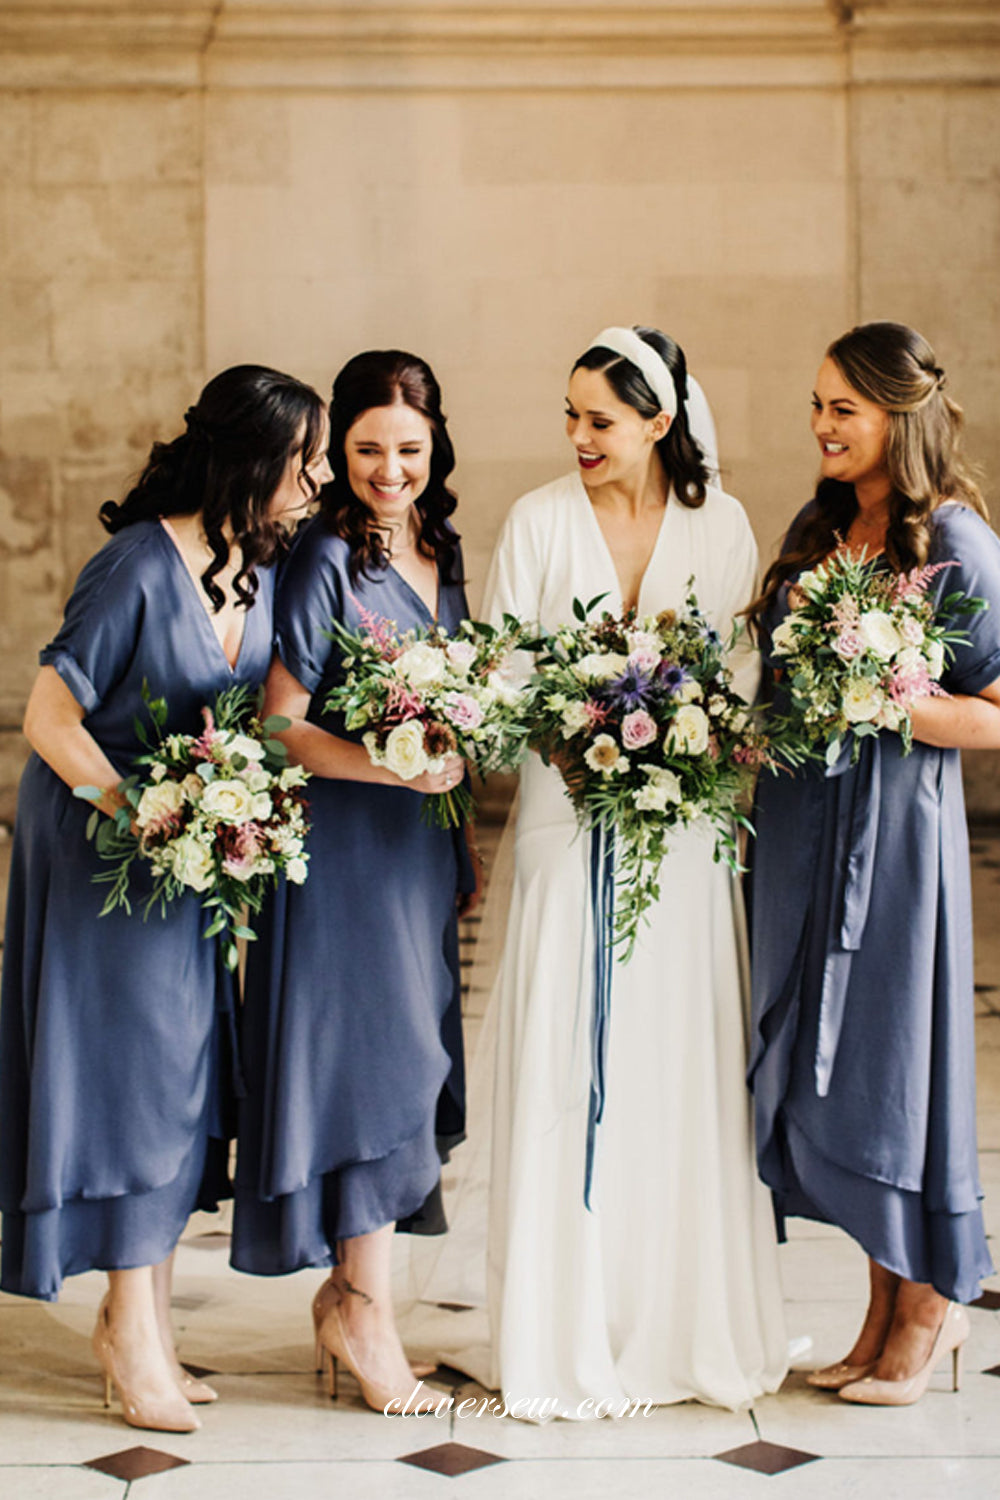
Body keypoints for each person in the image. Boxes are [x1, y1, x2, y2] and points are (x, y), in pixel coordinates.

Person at [0, 365, 331, 1432]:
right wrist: (133, 808)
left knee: (180, 1079)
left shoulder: (263, 568)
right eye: (306, 459)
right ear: (252, 460)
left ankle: (138, 1321)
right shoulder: (136, 564)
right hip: (102, 854)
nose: (319, 479)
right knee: (123, 1080)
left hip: (190, 863)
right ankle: (129, 1332)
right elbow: (50, 717)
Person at [478, 325, 788, 1414]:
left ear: (659, 422)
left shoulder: (724, 527)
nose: (577, 437)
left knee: (674, 1049)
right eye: (567, 416)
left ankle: (671, 1314)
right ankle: (563, 1319)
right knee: (567, 1045)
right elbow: (503, 676)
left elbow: (744, 677)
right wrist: (572, 731)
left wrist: (691, 733)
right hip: (569, 823)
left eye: (598, 420)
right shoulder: (535, 523)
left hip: (685, 837)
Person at [747, 321, 1000, 1406]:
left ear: (899, 413)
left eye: (841, 409)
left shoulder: (956, 539)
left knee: (896, 1056)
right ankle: (874, 1304)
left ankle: (932, 1304)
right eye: (815, 406)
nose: (821, 427)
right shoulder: (818, 525)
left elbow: (992, 715)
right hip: (802, 826)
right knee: (827, 1057)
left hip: (897, 839)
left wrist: (897, 696)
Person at [231, 349, 477, 1414]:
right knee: (371, 1068)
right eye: (368, 448)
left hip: (417, 849)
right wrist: (388, 763)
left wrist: (457, 803)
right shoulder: (326, 556)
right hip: (342, 850)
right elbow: (277, 724)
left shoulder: (441, 550)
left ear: (435, 448)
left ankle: (354, 1295)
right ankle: (362, 1309)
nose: (388, 469)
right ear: (338, 452)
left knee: (412, 1060)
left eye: (408, 449)